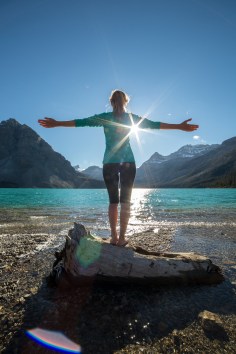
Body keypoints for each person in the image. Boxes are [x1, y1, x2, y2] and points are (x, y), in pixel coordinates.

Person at [38, 89, 199, 246]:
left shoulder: (105, 118)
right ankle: (121, 238)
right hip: (128, 163)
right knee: (125, 202)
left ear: (112, 102)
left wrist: (57, 123)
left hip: (109, 163)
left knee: (114, 202)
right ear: (125, 102)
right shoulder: (130, 118)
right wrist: (179, 126)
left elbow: (81, 122)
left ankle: (114, 237)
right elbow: (154, 125)